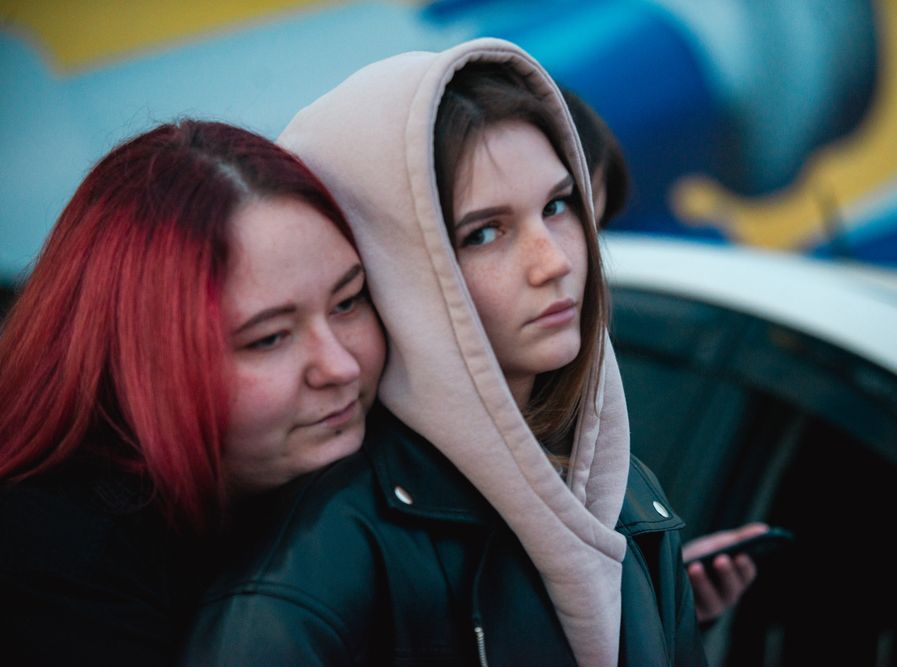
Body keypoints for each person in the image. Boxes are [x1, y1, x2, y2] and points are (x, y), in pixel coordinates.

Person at [183, 38, 704, 666]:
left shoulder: (624, 493)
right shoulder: (313, 569)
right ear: (394, 263)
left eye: (558, 205)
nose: (554, 262)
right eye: (484, 233)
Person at [0, 120, 385, 665]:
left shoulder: (404, 440)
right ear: (141, 360)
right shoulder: (53, 570)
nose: (341, 367)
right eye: (269, 338)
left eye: (347, 302)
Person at [561, 86, 769, 624]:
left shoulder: (599, 435)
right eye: (488, 231)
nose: (566, 265)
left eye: (592, 229)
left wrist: (669, 606)